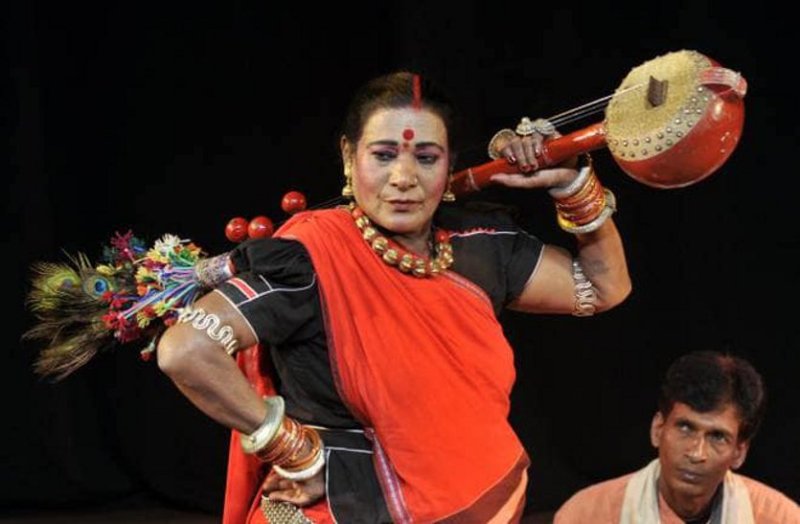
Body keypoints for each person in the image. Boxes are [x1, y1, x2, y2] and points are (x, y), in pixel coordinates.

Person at [156, 70, 632, 523]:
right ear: (349, 156)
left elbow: (605, 288)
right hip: (336, 506)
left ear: (450, 163)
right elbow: (187, 349)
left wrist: (571, 185)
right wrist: (293, 450)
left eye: (426, 158)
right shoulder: (313, 257)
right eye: (384, 155)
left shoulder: (479, 245)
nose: (404, 177)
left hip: (472, 502)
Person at [554, 350, 800, 523]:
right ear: (658, 429)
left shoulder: (780, 518)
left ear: (739, 452)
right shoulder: (586, 515)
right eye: (685, 428)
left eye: (717, 437)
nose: (696, 453)